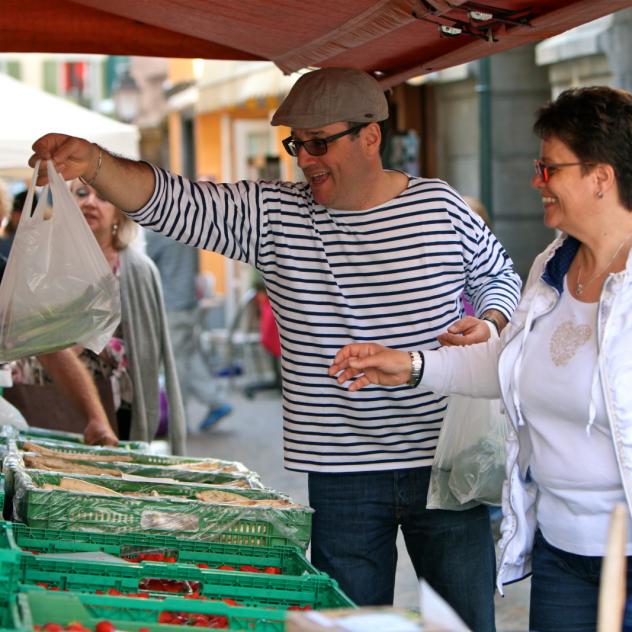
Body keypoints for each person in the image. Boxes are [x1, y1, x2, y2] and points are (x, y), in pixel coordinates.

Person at [29, 67, 522, 630]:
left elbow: (497, 274)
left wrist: (492, 317)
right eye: (296, 144)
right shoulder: (274, 214)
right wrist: (95, 163)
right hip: (342, 470)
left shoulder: (441, 206)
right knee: (345, 624)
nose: (305, 159)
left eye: (319, 142)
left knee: (465, 623)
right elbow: (171, 200)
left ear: (370, 136)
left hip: (446, 463)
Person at [329, 86, 632, 632]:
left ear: (600, 177)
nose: (536, 181)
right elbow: (509, 365)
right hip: (561, 553)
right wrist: (413, 365)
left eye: (549, 168)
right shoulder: (551, 268)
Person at [67, 180, 186, 453]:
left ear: (120, 213)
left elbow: (148, 352)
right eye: (81, 194)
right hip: (57, 400)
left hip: (119, 408)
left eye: (104, 196)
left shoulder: (139, 269)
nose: (90, 202)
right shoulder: (50, 263)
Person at [145, 230, 232, 431]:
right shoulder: (185, 227)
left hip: (172, 306)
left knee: (175, 364)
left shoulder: (156, 230)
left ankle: (179, 418)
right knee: (189, 356)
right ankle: (217, 402)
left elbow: (142, 262)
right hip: (189, 303)